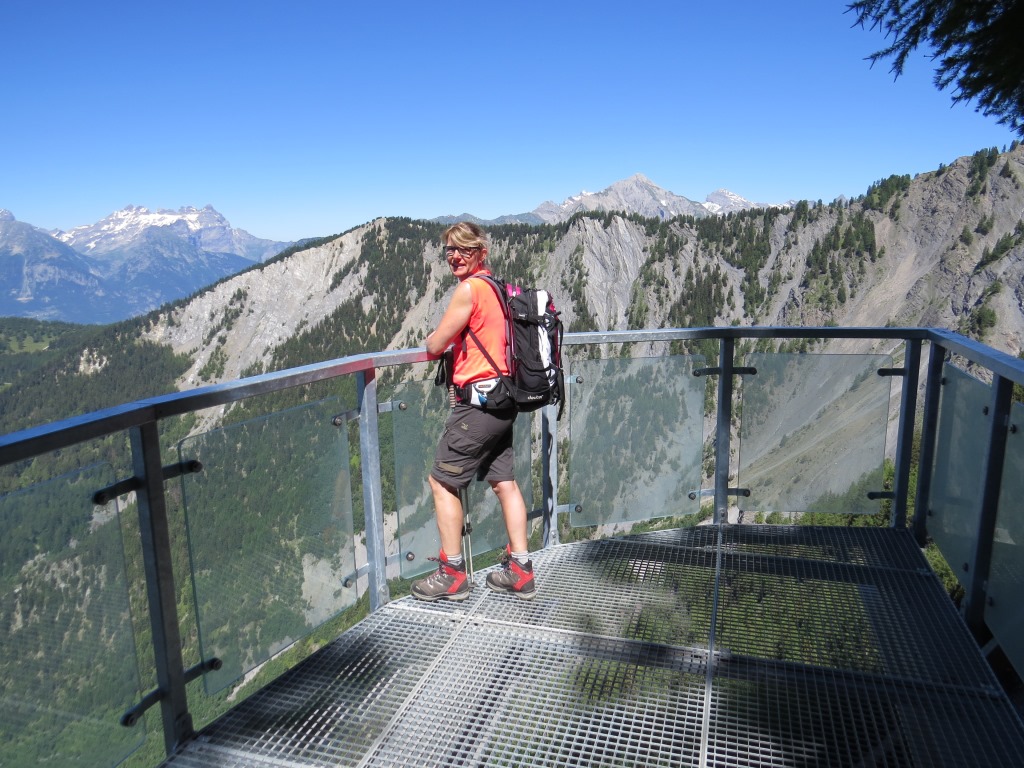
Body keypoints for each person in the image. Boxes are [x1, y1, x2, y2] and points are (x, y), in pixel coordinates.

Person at [411, 222, 537, 602]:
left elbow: (435, 345)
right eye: (449, 250)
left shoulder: (469, 290)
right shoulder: (496, 287)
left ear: (481, 252)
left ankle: (452, 575)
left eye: (463, 249)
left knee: (442, 482)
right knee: (504, 483)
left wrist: (433, 341)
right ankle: (521, 569)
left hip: (478, 407)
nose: (454, 256)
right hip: (503, 402)